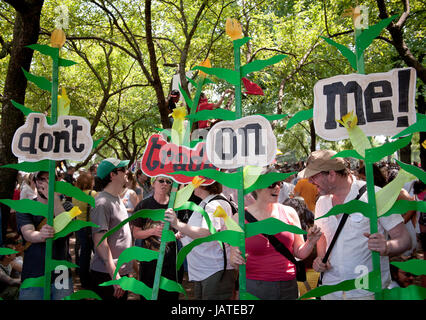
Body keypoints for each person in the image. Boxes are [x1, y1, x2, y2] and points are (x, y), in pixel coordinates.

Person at [301, 150, 412, 300]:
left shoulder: (374, 196)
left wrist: (387, 247)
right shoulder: (322, 202)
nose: (309, 182)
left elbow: (404, 239)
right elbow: (323, 238)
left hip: (366, 292)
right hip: (330, 290)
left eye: (313, 177)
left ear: (332, 175)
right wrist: (321, 259)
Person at [230, 167, 322, 300]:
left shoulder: (289, 212)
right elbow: (234, 259)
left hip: (288, 285)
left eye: (279, 183)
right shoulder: (239, 219)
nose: (277, 188)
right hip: (256, 286)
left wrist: (311, 241)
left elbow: (299, 253)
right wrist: (235, 259)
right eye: (272, 184)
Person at [164, 181, 236, 300]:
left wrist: (177, 224)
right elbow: (199, 229)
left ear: (204, 184)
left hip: (215, 270)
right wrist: (185, 232)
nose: (190, 186)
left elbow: (206, 233)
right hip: (205, 270)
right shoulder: (206, 202)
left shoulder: (215, 204)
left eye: (193, 182)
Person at [16, 171, 74, 300]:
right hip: (34, 275)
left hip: (61, 274)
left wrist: (54, 199)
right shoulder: (26, 207)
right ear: (35, 182)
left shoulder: (68, 206)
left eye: (50, 179)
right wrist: (41, 235)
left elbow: (68, 230)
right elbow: (27, 233)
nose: (46, 183)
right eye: (42, 179)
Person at [131, 176, 183, 300]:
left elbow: (181, 230)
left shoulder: (175, 206)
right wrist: (153, 231)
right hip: (149, 263)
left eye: (168, 181)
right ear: (153, 183)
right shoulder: (144, 205)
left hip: (170, 263)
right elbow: (136, 233)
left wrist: (176, 234)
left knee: (169, 296)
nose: (164, 184)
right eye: (161, 181)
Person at [90, 158, 133, 300]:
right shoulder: (101, 202)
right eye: (122, 169)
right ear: (112, 175)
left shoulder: (117, 199)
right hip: (107, 275)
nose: (127, 172)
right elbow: (100, 243)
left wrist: (131, 268)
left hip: (120, 272)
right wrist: (115, 275)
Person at [72, 172, 97, 289]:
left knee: (84, 254)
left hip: (80, 227)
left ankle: (84, 280)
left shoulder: (75, 195)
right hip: (91, 227)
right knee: (98, 253)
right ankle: (96, 278)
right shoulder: (93, 194)